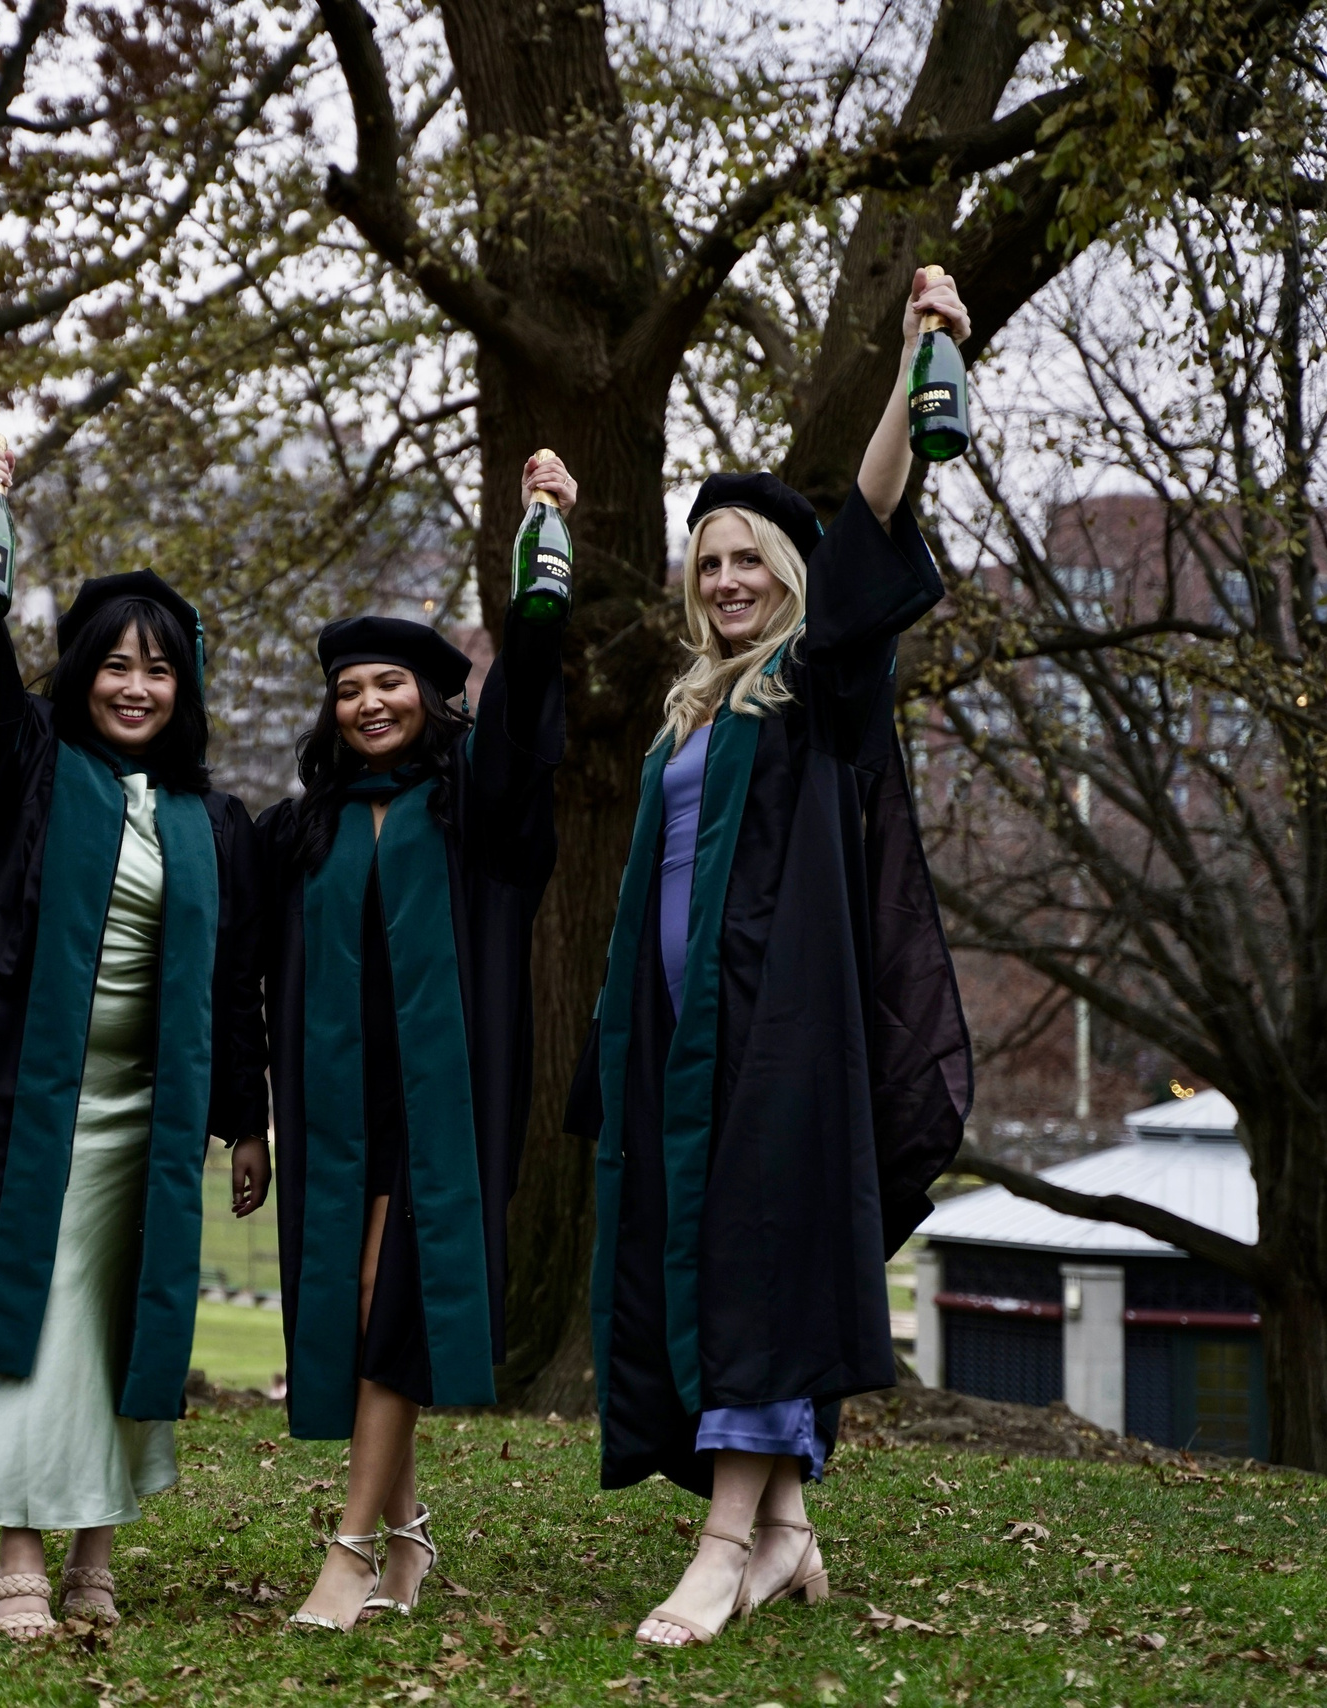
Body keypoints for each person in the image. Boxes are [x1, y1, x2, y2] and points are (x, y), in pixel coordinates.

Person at [570, 269, 976, 1647]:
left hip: (781, 1041)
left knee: (754, 1268)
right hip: (687, 1044)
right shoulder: (688, 713)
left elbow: (872, 521)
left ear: (791, 581)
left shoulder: (818, 691)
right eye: (713, 562)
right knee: (722, 1265)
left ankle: (724, 1542)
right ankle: (789, 1529)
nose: (731, 580)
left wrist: (913, 361)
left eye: (754, 560)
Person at [0, 438, 269, 1639]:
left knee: (126, 1318)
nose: (134, 684)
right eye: (113, 664)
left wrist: (244, 1118)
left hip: (153, 1114)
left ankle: (93, 1553)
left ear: (185, 690)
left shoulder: (210, 820)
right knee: (41, 1317)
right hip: (36, 1108)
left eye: (158, 671)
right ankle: (20, 1545)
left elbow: (233, 983)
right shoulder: (32, 767)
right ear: (76, 674)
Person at [257, 452, 575, 1632]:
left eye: (390, 684)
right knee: (353, 1299)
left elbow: (530, 693)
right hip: (342, 1105)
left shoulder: (471, 816)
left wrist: (542, 533)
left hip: (448, 1098)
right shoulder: (301, 832)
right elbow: (253, 979)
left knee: (393, 1296)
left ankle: (347, 1548)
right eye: (349, 690)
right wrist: (250, 1119)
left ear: (434, 700)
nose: (369, 703)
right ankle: (409, 1539)